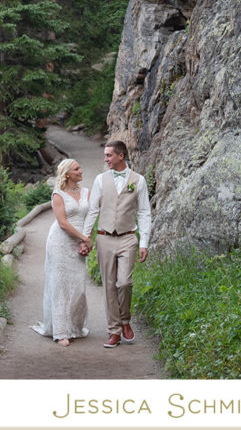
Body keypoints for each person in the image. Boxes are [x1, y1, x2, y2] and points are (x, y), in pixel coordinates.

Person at [81, 140, 151, 349]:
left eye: (109, 155)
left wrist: (144, 243)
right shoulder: (101, 180)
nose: (106, 159)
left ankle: (126, 320)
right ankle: (114, 331)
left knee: (124, 283)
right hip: (104, 237)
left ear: (121, 156)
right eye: (105, 155)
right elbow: (93, 210)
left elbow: (144, 212)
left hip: (128, 237)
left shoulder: (139, 180)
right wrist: (86, 238)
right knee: (109, 286)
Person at [31, 158, 93, 346]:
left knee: (77, 286)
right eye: (76, 169)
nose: (81, 171)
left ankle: (74, 327)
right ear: (67, 174)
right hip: (60, 243)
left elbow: (90, 218)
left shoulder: (87, 192)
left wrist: (85, 241)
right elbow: (63, 223)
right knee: (59, 285)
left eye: (80, 167)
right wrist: (83, 238)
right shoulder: (58, 194)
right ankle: (60, 332)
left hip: (79, 241)